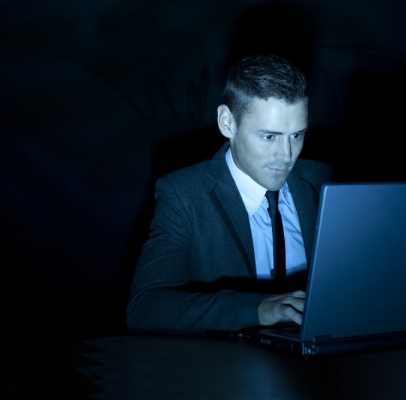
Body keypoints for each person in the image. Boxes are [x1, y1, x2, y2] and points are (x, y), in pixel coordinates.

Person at [126, 54, 333, 336]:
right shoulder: (183, 195)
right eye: (269, 136)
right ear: (227, 123)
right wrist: (258, 309)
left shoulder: (326, 180)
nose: (286, 156)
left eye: (297, 135)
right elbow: (145, 307)